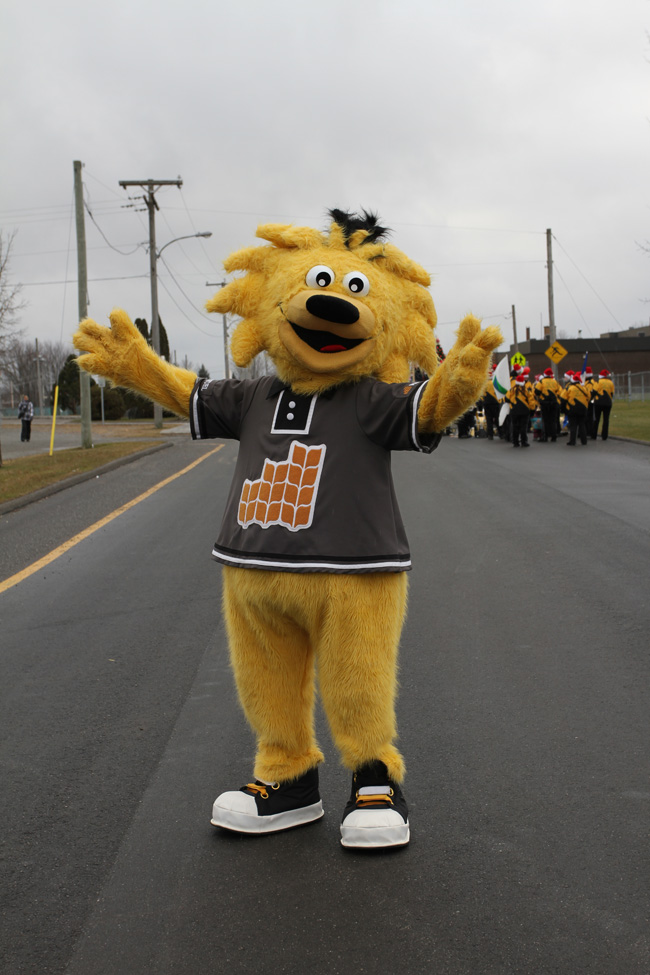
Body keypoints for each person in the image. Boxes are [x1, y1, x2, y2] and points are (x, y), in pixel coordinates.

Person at [505, 373, 536, 447]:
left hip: (514, 411)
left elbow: (506, 399)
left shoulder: (511, 390)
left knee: (515, 426)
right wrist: (532, 410)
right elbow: (531, 401)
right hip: (525, 411)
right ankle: (524, 441)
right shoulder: (526, 391)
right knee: (523, 427)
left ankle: (515, 442)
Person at [561, 372, 589, 445]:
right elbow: (589, 396)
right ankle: (584, 441)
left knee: (573, 425)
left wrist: (564, 409)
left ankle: (572, 441)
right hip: (583, 409)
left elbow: (563, 398)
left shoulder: (569, 388)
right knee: (582, 425)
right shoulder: (583, 388)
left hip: (572, 409)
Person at [534, 367, 561, 442]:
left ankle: (545, 436)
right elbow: (559, 391)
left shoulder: (541, 382)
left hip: (544, 403)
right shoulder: (555, 382)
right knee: (553, 420)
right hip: (553, 403)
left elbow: (537, 392)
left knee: (545, 420)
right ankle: (553, 436)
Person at [593, 369, 615, 440]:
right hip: (608, 403)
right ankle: (604, 436)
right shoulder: (611, 383)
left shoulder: (598, 382)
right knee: (606, 419)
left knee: (597, 419)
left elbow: (594, 391)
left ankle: (594, 435)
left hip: (598, 403)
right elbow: (612, 393)